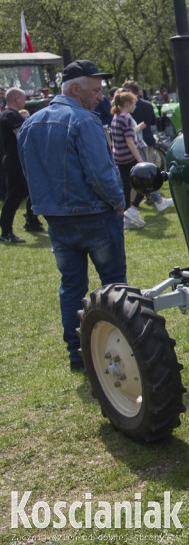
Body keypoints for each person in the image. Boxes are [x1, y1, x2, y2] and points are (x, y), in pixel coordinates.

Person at [18, 60, 127, 371]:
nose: (101, 97)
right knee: (114, 287)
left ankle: (77, 354)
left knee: (71, 286)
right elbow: (101, 173)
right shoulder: (84, 121)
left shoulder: (30, 124)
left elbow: (29, 173)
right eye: (95, 90)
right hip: (94, 215)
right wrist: (119, 201)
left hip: (56, 219)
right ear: (76, 89)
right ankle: (121, 348)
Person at [1, 88, 44, 243]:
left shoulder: (8, 114)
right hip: (15, 160)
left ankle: (31, 221)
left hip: (16, 159)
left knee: (30, 192)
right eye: (23, 99)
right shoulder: (11, 115)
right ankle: (6, 233)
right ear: (16, 99)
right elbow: (22, 136)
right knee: (14, 197)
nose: (25, 102)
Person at [122, 81, 172, 211]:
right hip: (146, 140)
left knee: (144, 173)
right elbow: (153, 121)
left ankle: (145, 199)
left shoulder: (127, 109)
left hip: (138, 143)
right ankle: (150, 199)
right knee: (147, 171)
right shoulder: (147, 105)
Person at [110, 90, 149, 229]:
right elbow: (130, 142)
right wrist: (140, 160)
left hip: (119, 157)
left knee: (126, 186)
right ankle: (133, 208)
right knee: (144, 183)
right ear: (127, 104)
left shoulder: (115, 117)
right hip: (128, 156)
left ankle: (126, 213)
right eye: (133, 104)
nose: (135, 107)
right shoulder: (125, 119)